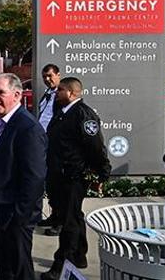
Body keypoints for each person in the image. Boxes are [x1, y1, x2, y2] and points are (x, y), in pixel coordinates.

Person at [0, 73, 47, 280]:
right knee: (4, 269)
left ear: (16, 95)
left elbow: (34, 179)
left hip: (12, 218)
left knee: (18, 271)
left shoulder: (27, 129)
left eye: (0, 92)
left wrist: (18, 218)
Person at [40, 77, 111, 280]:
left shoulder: (83, 114)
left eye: (60, 90)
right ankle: (80, 255)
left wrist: (102, 171)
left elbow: (95, 146)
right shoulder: (61, 113)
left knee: (69, 223)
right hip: (59, 175)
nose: (56, 93)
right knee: (73, 215)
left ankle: (62, 264)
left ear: (72, 93)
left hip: (74, 176)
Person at [37, 64, 62, 233]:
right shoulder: (48, 93)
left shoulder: (62, 94)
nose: (47, 79)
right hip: (44, 143)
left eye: (50, 76)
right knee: (50, 183)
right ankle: (54, 216)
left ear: (58, 75)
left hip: (56, 144)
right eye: (45, 76)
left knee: (58, 184)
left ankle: (60, 222)